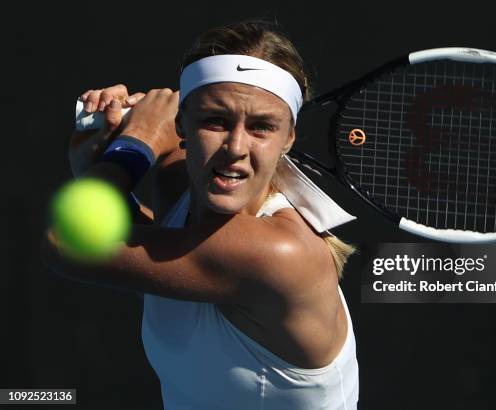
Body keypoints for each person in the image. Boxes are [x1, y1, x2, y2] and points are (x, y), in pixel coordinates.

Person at [41, 20, 359, 409]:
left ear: (288, 138)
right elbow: (142, 241)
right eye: (215, 121)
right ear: (181, 125)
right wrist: (97, 161)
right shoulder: (180, 186)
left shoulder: (280, 254)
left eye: (261, 127)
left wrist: (130, 148)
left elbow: (67, 242)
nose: (236, 148)